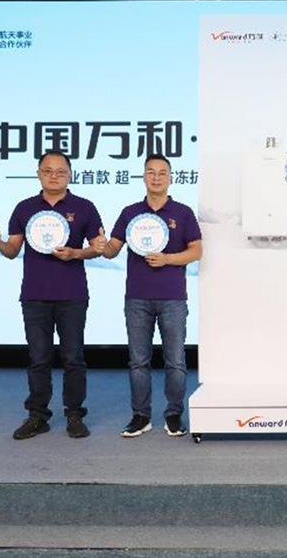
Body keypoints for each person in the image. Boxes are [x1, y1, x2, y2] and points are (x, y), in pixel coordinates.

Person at [0, 149, 105, 440]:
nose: (54, 176)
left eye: (60, 171)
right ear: (38, 174)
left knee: (73, 358)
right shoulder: (25, 208)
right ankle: (38, 416)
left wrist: (76, 253)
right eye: (48, 171)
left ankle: (74, 414)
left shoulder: (85, 207)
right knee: (38, 358)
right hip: (34, 295)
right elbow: (13, 251)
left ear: (70, 175)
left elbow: (97, 247)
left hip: (72, 295)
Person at [100, 154, 203, 438]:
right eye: (151, 172)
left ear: (170, 178)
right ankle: (141, 416)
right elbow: (112, 250)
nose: (156, 178)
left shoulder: (183, 213)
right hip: (137, 298)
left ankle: (173, 414)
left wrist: (167, 259)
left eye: (162, 173)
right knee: (138, 361)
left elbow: (196, 251)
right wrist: (102, 246)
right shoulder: (130, 212)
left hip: (172, 298)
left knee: (175, 361)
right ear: (144, 177)